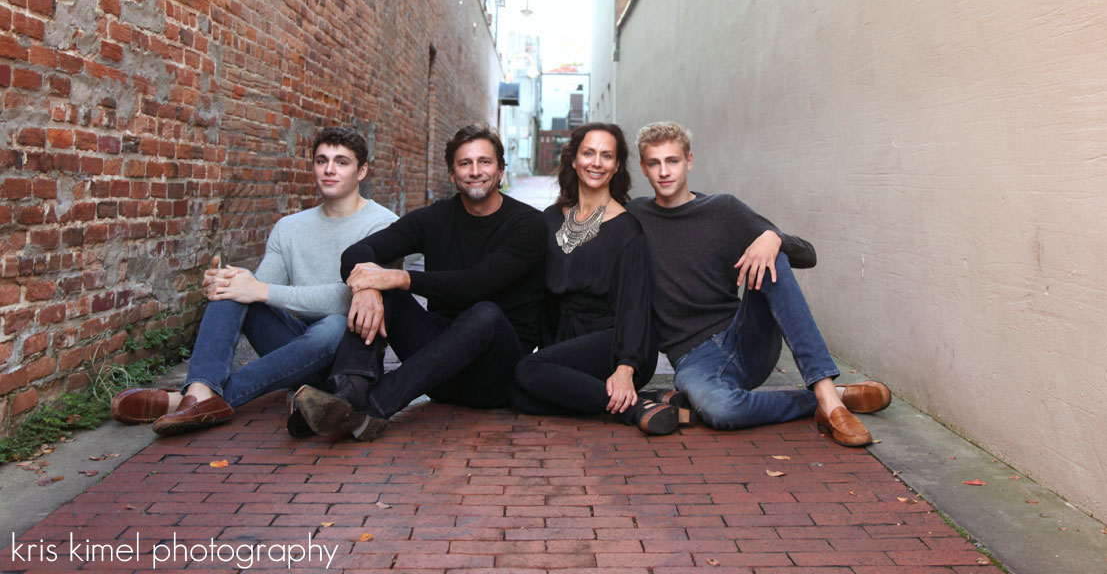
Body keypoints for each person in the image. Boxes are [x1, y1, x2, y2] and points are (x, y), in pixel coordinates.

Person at [110, 127, 398, 436]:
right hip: (294, 347)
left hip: (346, 360)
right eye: (321, 160)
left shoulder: (383, 225)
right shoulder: (289, 228)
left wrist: (257, 288)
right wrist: (231, 283)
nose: (329, 169)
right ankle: (200, 389)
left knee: (333, 325)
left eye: (341, 162)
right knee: (233, 284)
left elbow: (348, 299)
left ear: (362, 171)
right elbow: (260, 291)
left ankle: (188, 401)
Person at [628, 121, 891, 446]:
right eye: (654, 163)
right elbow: (585, 219)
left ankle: (827, 393)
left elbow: (808, 255)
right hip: (694, 360)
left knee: (771, 256)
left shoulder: (722, 209)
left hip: (745, 337)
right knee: (722, 411)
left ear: (689, 161)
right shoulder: (634, 216)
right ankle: (828, 401)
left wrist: (772, 237)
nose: (664, 172)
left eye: (673, 161)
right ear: (643, 168)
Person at [292, 123, 545, 441]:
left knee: (485, 313)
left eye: (485, 162)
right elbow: (357, 252)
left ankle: (374, 404)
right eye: (464, 163)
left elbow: (477, 284)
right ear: (452, 175)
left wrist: (397, 277)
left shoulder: (529, 225)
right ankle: (349, 394)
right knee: (381, 292)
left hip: (494, 377)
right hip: (437, 376)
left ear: (501, 171)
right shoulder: (435, 218)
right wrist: (369, 286)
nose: (475, 171)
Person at [506, 123, 674, 434]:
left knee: (530, 370)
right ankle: (645, 401)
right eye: (589, 153)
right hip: (570, 342)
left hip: (618, 342)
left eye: (606, 156)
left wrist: (625, 368)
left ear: (617, 165)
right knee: (516, 392)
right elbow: (539, 298)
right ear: (573, 159)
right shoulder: (551, 219)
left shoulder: (627, 229)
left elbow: (634, 307)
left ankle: (634, 408)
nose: (596, 163)